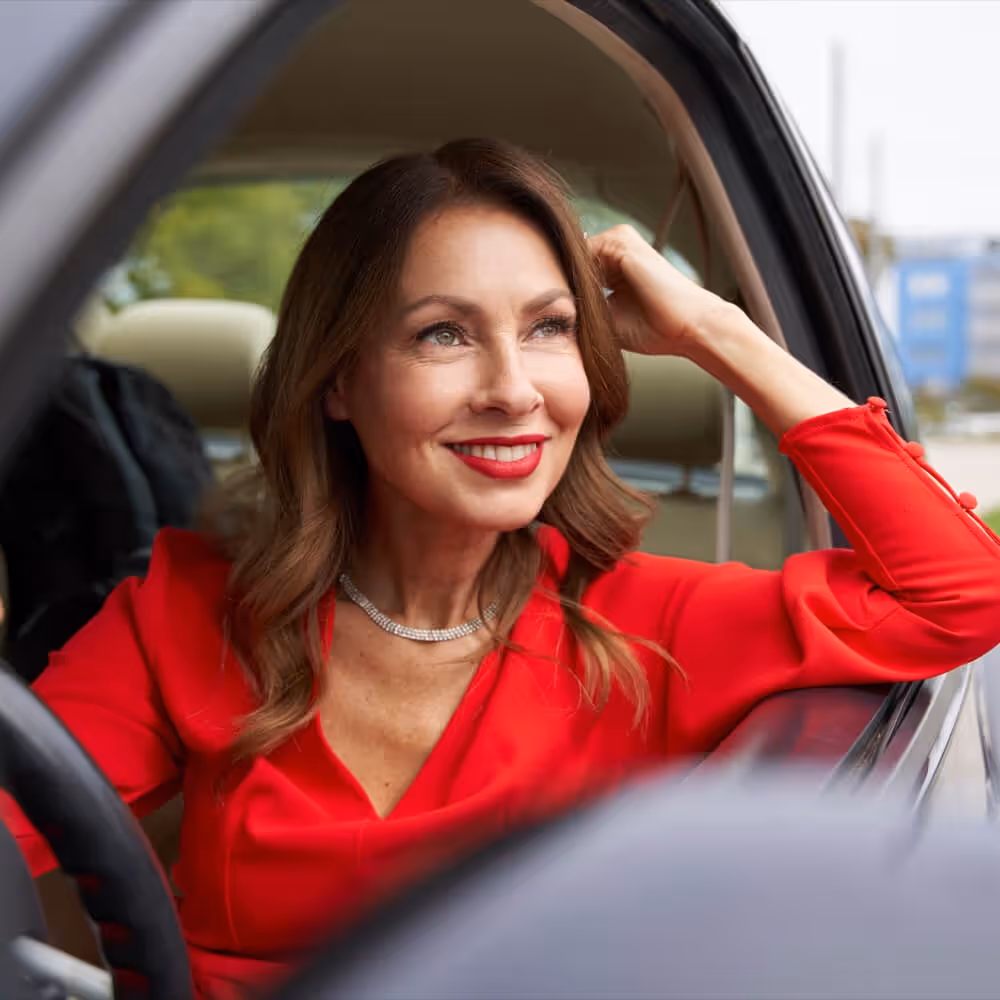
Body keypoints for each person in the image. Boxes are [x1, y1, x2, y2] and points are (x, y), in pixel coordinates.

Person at [4, 137, 1000, 999]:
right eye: (445, 334)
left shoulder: (651, 623)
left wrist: (713, 330)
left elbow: (964, 592)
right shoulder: (189, 607)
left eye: (549, 327)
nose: (513, 389)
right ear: (339, 380)